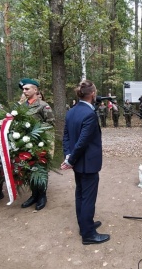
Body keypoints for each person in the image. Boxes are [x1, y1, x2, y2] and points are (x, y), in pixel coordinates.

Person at [61, 80, 110, 245]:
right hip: (87, 164)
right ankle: (88, 234)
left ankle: (85, 225)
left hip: (77, 163)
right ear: (93, 94)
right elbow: (82, 142)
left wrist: (68, 156)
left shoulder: (71, 111)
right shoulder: (89, 114)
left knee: (80, 195)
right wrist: (71, 160)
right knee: (87, 198)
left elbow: (66, 137)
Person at [18, 78, 54, 210]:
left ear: (35, 90)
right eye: (23, 89)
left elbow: (50, 124)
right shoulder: (22, 107)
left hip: (39, 143)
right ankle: (34, 195)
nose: (24, 91)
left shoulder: (43, 105)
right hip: (24, 143)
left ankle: (42, 195)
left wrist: (34, 129)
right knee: (29, 169)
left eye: (27, 89)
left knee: (40, 169)